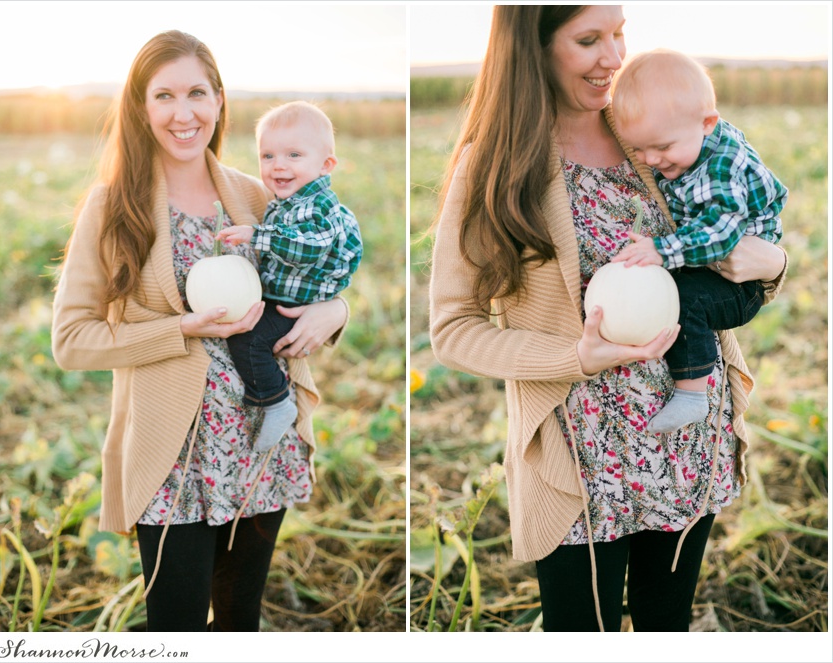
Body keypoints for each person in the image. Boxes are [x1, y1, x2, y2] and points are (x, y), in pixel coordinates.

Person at [428, 6, 788, 632]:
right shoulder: (496, 165)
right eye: (589, 39)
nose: (615, 57)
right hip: (579, 455)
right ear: (533, 48)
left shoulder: (650, 127)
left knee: (664, 625)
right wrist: (573, 358)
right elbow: (453, 328)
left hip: (683, 440)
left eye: (620, 32)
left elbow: (743, 231)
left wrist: (774, 261)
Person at [51, 30, 349, 632]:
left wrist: (336, 311)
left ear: (218, 100)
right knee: (176, 625)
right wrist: (182, 328)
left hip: (259, 444)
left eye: (196, 93)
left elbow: (320, 269)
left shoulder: (255, 193)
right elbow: (71, 340)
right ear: (141, 107)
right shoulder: (115, 206)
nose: (183, 113)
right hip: (172, 457)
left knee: (240, 621)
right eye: (163, 96)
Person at [609, 49, 788, 433]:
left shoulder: (722, 166)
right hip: (723, 267)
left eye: (662, 148)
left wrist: (661, 250)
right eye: (639, 149)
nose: (651, 159)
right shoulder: (688, 141)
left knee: (688, 297)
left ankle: (691, 394)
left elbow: (720, 235)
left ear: (707, 123)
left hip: (742, 285)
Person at [217, 101, 362, 453]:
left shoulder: (316, 206)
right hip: (284, 299)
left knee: (249, 341)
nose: (278, 165)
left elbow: (307, 248)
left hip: (294, 306)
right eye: (267, 156)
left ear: (326, 165)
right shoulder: (285, 201)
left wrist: (257, 235)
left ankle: (275, 400)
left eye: (294, 155)